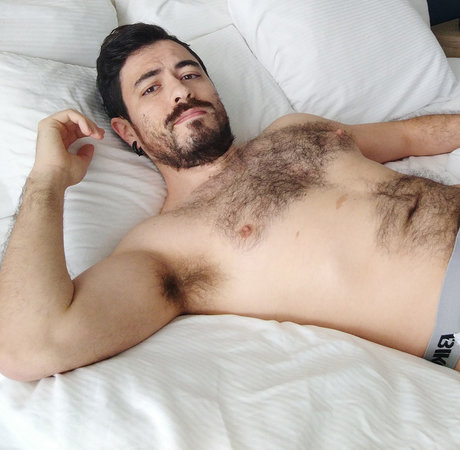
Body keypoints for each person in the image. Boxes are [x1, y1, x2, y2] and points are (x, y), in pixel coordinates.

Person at [1, 23, 460, 382]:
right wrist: (47, 180)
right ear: (127, 132)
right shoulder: (165, 244)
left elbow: (411, 136)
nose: (181, 90)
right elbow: (30, 345)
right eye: (151, 88)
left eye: (189, 73)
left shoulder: (296, 128)